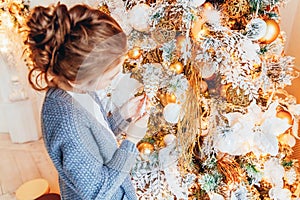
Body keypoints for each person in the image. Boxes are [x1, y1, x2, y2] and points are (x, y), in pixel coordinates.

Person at [25, 3, 148, 200]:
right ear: (79, 76)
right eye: (110, 77)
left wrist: (123, 116)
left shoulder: (78, 89)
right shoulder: (67, 122)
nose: (116, 79)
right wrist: (131, 140)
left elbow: (95, 139)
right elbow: (97, 192)